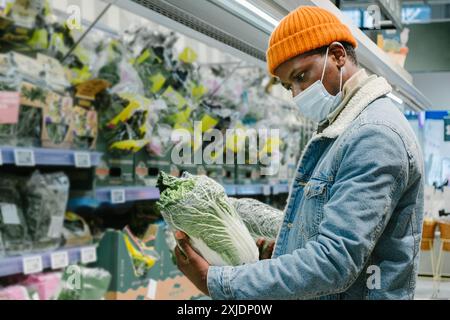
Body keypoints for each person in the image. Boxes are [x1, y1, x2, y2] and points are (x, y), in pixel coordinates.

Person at [174, 6, 424, 300]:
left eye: (301, 76)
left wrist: (216, 281)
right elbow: (331, 229)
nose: (296, 94)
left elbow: (333, 262)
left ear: (337, 55)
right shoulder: (343, 128)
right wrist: (285, 245)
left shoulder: (374, 135)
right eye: (288, 86)